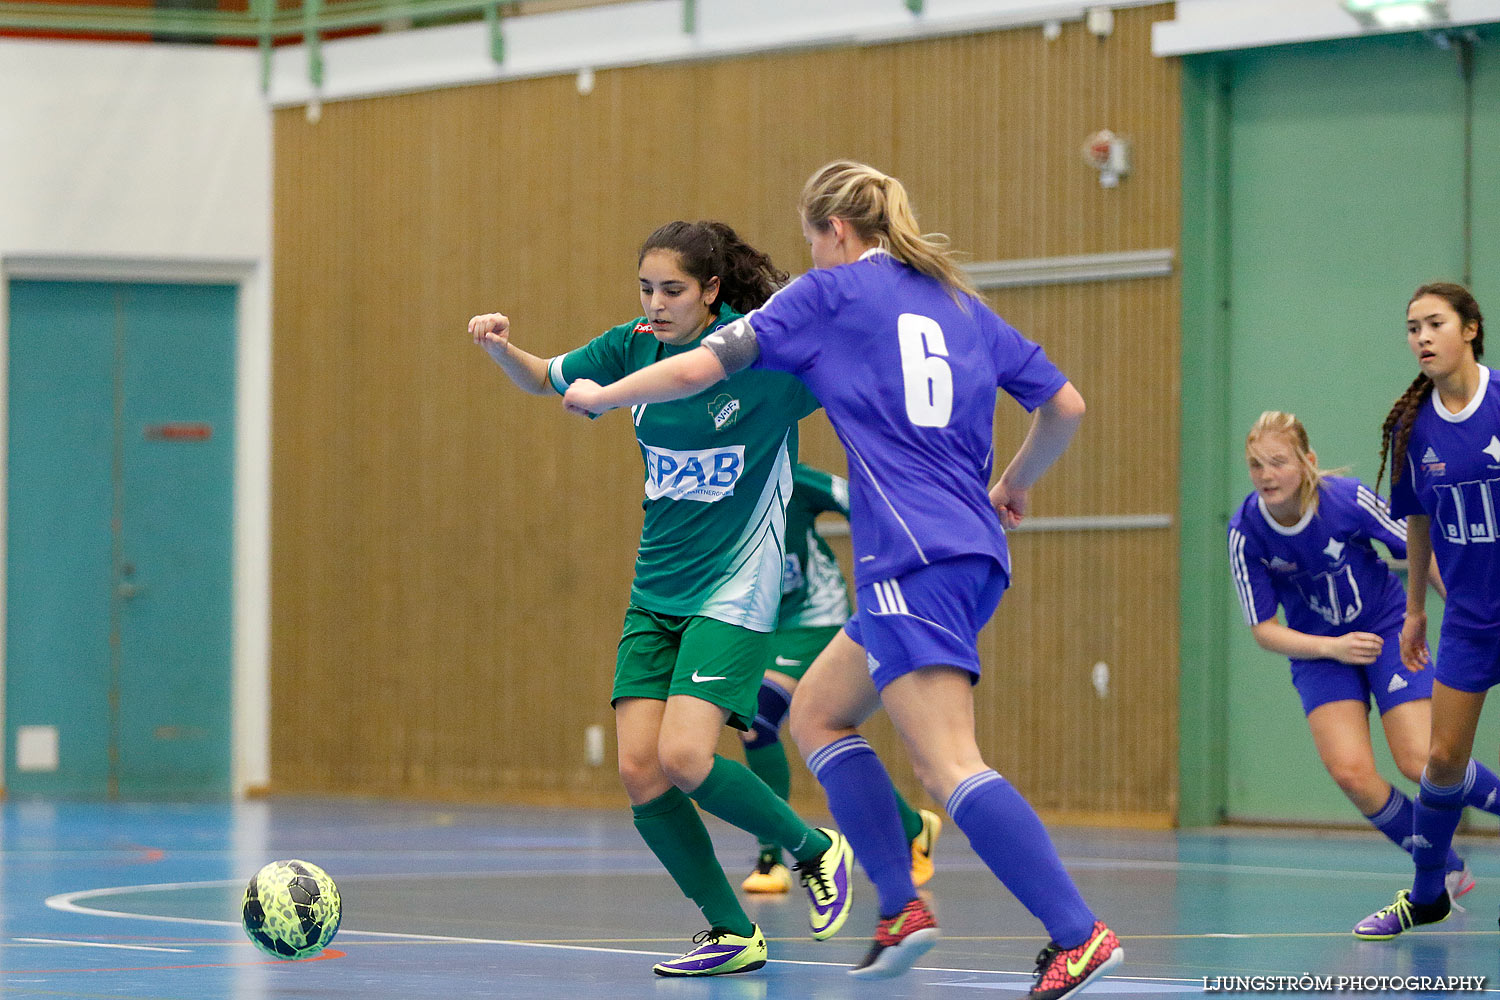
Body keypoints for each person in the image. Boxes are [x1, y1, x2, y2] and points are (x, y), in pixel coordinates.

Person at [562, 161, 1121, 998]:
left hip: (909, 556)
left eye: (811, 239)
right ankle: (899, 907)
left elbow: (695, 368)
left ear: (833, 233)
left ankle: (1078, 934)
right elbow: (1065, 405)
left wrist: (605, 395)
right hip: (971, 552)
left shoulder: (828, 295)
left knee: (948, 765)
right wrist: (1013, 485)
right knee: (819, 716)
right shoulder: (958, 302)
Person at [469, 220, 855, 978]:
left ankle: (818, 851)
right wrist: (501, 351)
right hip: (656, 593)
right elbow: (547, 376)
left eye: (672, 290)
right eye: (646, 288)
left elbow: (855, 378)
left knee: (685, 755)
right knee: (641, 772)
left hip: (734, 591)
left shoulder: (763, 359)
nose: (655, 303)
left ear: (711, 292)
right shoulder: (631, 343)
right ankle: (731, 930)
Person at [1230, 411, 1500, 912]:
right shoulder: (1246, 531)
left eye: (1277, 462)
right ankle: (1444, 866)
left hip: (1384, 629)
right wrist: (1332, 647)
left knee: (1421, 760)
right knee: (1352, 772)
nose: (1266, 474)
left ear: (1307, 462)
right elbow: (1265, 631)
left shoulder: (1347, 500)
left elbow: (1421, 545)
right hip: (1320, 652)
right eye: (1255, 465)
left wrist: (1464, 612)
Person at [1354, 282, 1500, 940]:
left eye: (1435, 323)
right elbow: (1416, 522)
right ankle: (1428, 894)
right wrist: (1414, 609)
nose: (1421, 337)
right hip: (1468, 617)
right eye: (1412, 327)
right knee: (1441, 761)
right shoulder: (1412, 428)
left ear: (1470, 328)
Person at [739, 462, 942, 895]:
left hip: (817, 617)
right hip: (762, 624)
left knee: (759, 719)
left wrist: (894, 560)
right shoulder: (711, 487)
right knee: (792, 730)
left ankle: (771, 858)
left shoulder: (787, 477)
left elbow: (862, 500)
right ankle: (911, 826)